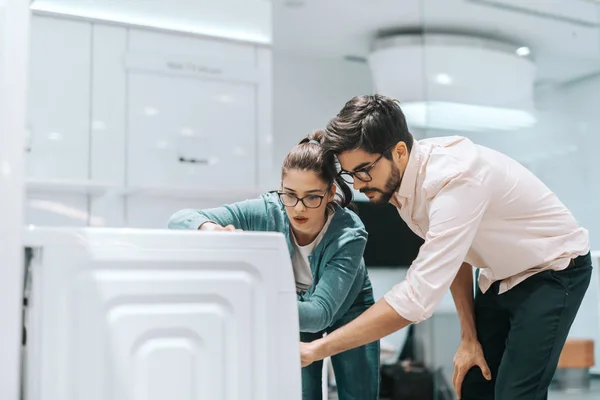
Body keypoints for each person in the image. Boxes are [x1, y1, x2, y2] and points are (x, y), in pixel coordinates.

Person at [300, 94, 592, 400]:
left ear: (399, 152)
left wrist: (319, 348)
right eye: (351, 175)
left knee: (516, 394)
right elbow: (456, 255)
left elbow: (416, 298)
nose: (358, 185)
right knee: (474, 383)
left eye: (363, 171)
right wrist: (469, 337)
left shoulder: (453, 179)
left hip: (553, 270)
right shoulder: (402, 183)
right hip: (498, 276)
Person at [168, 130, 380, 400]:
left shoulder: (350, 233)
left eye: (312, 197)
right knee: (300, 393)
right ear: (280, 188)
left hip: (349, 309)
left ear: (330, 193)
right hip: (292, 308)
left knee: (358, 393)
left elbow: (319, 314)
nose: (298, 208)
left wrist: (254, 298)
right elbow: (180, 219)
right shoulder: (268, 210)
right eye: (289, 194)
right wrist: (211, 229)